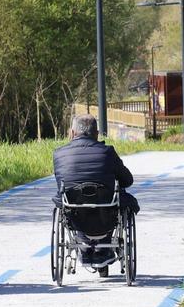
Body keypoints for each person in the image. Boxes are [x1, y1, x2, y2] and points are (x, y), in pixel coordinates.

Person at [52, 114, 139, 266]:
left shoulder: (59, 154)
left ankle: (84, 247)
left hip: (76, 216)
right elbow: (127, 180)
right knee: (117, 199)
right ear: (97, 134)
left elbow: (62, 186)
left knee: (72, 201)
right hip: (105, 216)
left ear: (72, 133)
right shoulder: (107, 152)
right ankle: (102, 250)